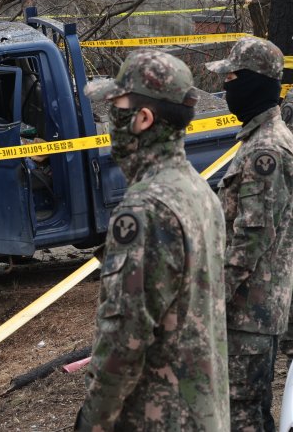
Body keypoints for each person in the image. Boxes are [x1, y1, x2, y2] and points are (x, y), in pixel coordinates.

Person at [76, 50, 228, 431]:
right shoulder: (198, 189)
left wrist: (91, 421)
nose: (110, 118)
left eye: (116, 106)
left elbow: (124, 339)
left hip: (160, 417)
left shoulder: (146, 208)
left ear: (143, 119)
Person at [205, 36, 293, 431]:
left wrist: (210, 303)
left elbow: (250, 239)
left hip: (247, 311)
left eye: (233, 77)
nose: (226, 86)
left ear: (256, 82)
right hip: (251, 308)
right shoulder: (262, 141)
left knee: (242, 415)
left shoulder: (266, 152)